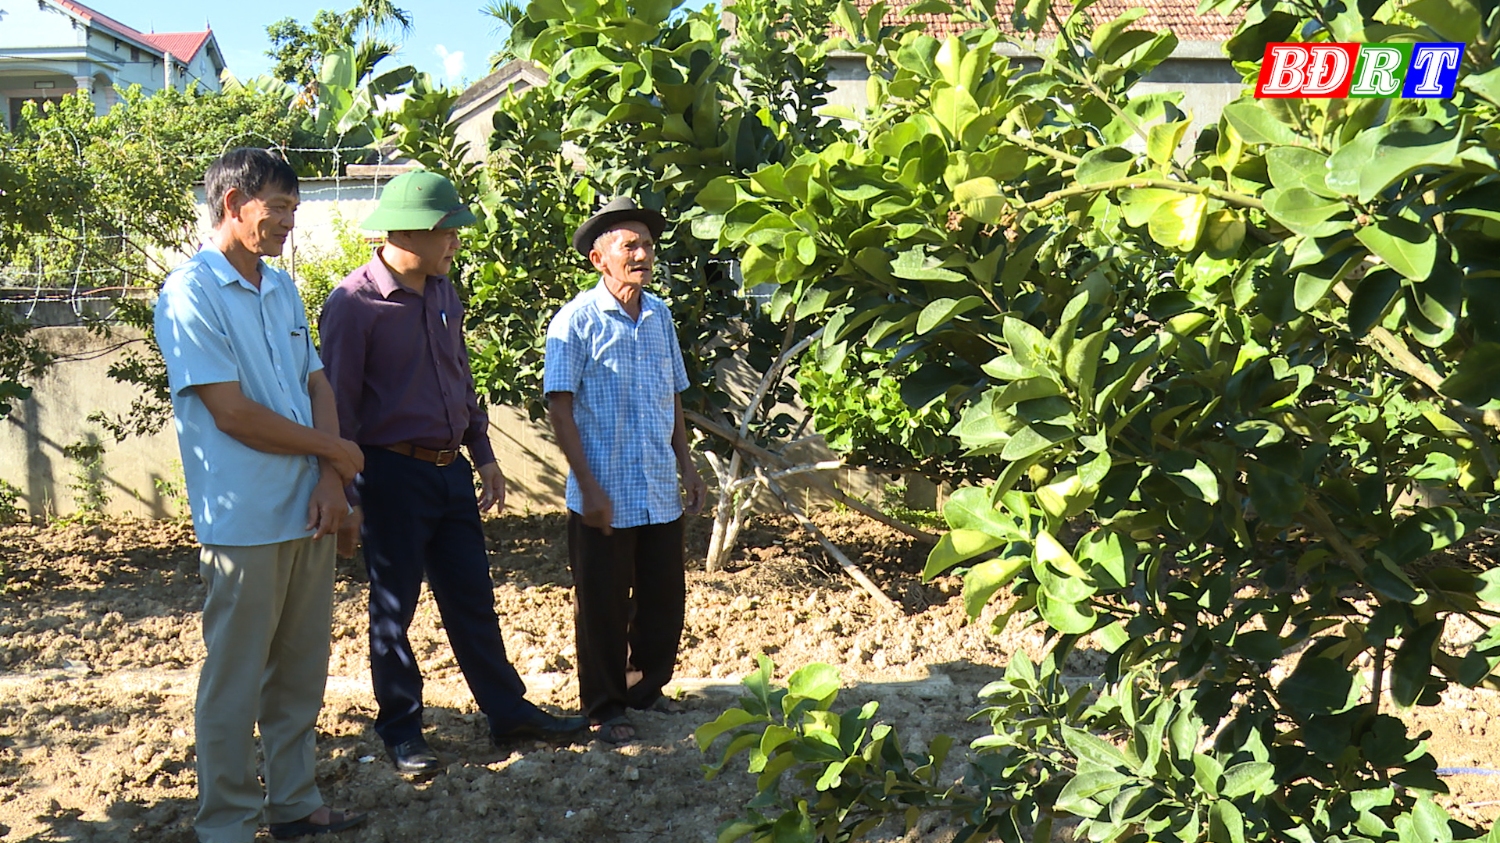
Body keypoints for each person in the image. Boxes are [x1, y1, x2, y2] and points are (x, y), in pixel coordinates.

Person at [319, 170, 587, 776]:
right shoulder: (354, 304)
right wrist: (343, 487)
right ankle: (403, 731)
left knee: (472, 600)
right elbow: (337, 405)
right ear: (409, 232)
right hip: (389, 475)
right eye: (448, 233)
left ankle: (508, 712)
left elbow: (458, 378)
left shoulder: (443, 292)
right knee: (395, 609)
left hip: (448, 474)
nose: (457, 244)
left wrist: (483, 453)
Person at [153, 148, 366, 843]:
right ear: (234, 202)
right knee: (236, 679)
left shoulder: (283, 289)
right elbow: (232, 412)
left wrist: (332, 478)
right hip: (243, 517)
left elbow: (317, 384)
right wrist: (333, 451)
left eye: (292, 211)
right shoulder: (190, 292)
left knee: (301, 671)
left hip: (308, 505)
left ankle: (295, 803)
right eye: (277, 208)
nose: (287, 224)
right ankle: (227, 822)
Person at [543, 196, 708, 744]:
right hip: (603, 494)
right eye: (629, 245)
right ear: (600, 259)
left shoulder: (659, 316)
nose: (642, 254)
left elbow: (674, 398)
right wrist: (586, 485)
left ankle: (646, 691)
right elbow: (559, 406)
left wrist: (688, 464)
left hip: (658, 487)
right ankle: (605, 707)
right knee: (603, 607)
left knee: (663, 602)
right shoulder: (575, 321)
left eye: (647, 245)